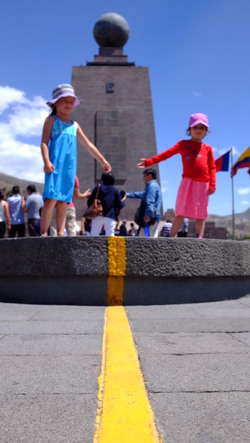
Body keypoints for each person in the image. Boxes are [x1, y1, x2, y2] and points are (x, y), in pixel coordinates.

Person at [40, 83, 111, 237]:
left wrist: (102, 160)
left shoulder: (75, 125)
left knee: (63, 201)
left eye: (71, 101)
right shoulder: (51, 120)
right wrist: (46, 161)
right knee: (51, 199)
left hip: (69, 169)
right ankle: (44, 234)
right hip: (54, 165)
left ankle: (60, 233)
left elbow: (89, 145)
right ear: (56, 103)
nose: (68, 104)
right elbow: (44, 142)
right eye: (64, 100)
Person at [137, 113, 216, 239]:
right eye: (195, 127)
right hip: (187, 181)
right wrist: (149, 161)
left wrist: (212, 184)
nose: (198, 130)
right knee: (180, 211)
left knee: (201, 214)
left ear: (206, 131)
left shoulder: (208, 149)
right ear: (189, 129)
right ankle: (170, 238)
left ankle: (199, 240)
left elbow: (212, 167)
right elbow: (166, 154)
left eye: (202, 128)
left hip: (203, 183)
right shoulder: (183, 144)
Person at [126, 168, 161, 237]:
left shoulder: (151, 186)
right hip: (154, 217)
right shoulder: (153, 186)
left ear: (150, 175)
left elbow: (150, 202)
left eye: (144, 176)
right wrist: (126, 194)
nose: (143, 178)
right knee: (149, 239)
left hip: (150, 219)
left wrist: (147, 215)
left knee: (144, 240)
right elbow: (140, 194)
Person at [87, 172, 125, 236]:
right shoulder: (115, 190)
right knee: (110, 237)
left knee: (93, 236)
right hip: (110, 216)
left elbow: (89, 201)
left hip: (97, 214)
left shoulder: (98, 188)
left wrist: (92, 210)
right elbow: (120, 205)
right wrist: (123, 201)